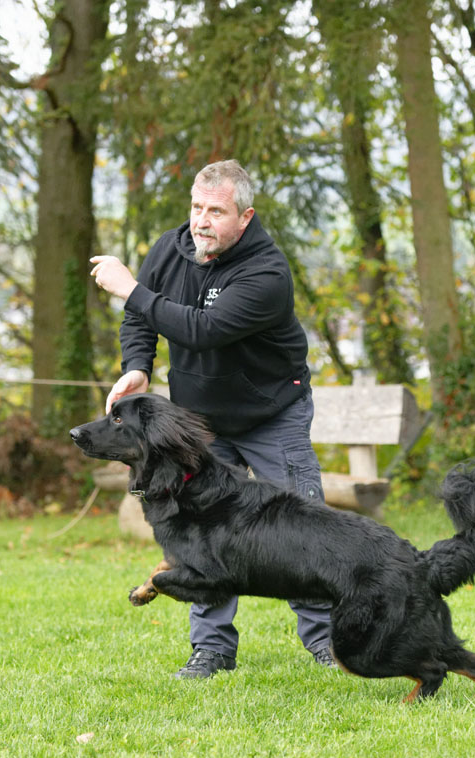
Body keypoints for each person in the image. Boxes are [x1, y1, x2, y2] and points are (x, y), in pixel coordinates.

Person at [89, 159, 335, 679]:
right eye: (197, 207)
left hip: (273, 413)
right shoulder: (171, 248)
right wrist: (137, 367)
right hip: (200, 423)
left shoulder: (266, 272)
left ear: (245, 217)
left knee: (299, 526)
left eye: (216, 211)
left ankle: (326, 639)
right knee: (198, 534)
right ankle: (213, 649)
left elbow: (202, 329)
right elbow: (141, 318)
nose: (201, 220)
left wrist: (128, 286)